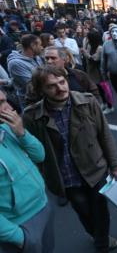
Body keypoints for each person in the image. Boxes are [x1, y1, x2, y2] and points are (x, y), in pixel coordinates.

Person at [23, 65, 117, 253]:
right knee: (83, 211)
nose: (61, 88)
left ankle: (101, 243)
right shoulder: (31, 116)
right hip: (66, 179)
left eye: (62, 81)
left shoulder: (87, 101)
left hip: (95, 170)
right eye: (52, 86)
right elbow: (31, 151)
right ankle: (98, 236)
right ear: (40, 90)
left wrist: (115, 165)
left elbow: (105, 134)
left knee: (100, 210)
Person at [0, 89, 54, 253]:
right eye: (0, 103)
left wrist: (22, 133)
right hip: (20, 223)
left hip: (42, 204)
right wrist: (19, 238)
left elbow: (40, 155)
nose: (8, 107)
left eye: (4, 100)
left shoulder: (8, 128)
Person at [82, 29, 114, 114]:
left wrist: (86, 54)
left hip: (99, 72)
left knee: (105, 90)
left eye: (88, 38)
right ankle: (104, 103)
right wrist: (87, 53)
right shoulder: (89, 46)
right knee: (99, 89)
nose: (87, 39)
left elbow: (95, 59)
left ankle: (110, 106)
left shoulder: (100, 48)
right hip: (92, 71)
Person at [7, 34, 43, 108]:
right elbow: (32, 85)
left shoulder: (37, 57)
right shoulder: (15, 63)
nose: (42, 47)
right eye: (40, 45)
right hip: (31, 104)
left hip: (42, 99)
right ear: (33, 45)